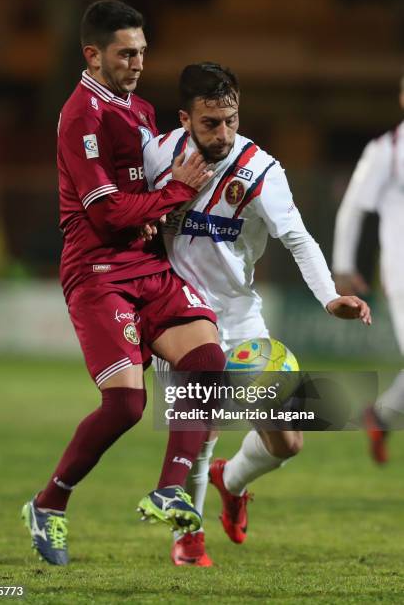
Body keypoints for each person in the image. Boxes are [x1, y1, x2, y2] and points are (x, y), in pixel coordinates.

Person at [21, 1, 228, 566]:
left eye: (141, 51)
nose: (137, 62)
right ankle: (49, 502)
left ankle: (168, 489)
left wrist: (168, 205)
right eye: (125, 53)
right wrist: (175, 194)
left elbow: (146, 189)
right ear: (93, 55)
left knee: (207, 361)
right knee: (127, 404)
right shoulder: (80, 115)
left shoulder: (139, 109)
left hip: (147, 264)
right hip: (98, 272)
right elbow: (107, 214)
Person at [143, 62, 371, 566]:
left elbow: (298, 237)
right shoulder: (156, 154)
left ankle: (232, 479)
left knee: (289, 442)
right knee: (198, 432)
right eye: (210, 123)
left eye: (231, 119)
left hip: (241, 320)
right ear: (185, 118)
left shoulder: (260, 171)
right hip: (179, 319)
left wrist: (329, 296)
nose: (223, 132)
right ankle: (187, 538)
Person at [333, 75, 404, 464]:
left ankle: (381, 416)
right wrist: (343, 264)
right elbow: (354, 207)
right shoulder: (388, 150)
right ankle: (382, 416)